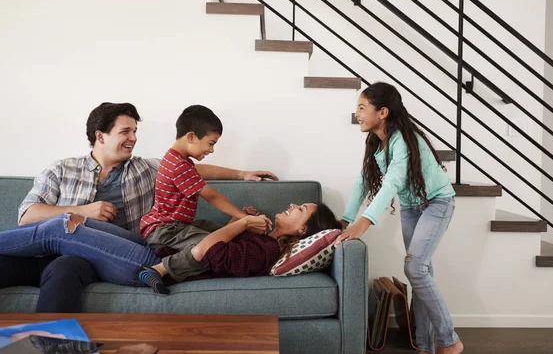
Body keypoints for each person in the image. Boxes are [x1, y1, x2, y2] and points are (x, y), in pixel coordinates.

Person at [0, 102, 277, 309]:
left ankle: (53, 345)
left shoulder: (145, 168)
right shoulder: (61, 169)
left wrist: (242, 174)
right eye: (126, 131)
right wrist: (83, 211)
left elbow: (195, 171)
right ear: (101, 136)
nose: (134, 137)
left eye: (135, 131)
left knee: (66, 252)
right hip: (48, 254)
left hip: (103, 257)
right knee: (56, 233)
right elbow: (27, 217)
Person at [335, 82, 463, 354]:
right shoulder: (377, 141)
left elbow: (392, 181)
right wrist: (346, 218)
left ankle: (449, 341)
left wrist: (364, 222)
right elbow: (363, 181)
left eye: (361, 107)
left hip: (437, 203)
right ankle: (426, 346)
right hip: (411, 207)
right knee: (422, 271)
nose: (356, 113)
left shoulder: (402, 140)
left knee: (415, 269)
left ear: (382, 112)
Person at [0, 202, 340, 290]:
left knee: (62, 229)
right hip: (156, 248)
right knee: (81, 222)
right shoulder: (262, 237)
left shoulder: (267, 251)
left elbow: (210, 253)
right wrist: (242, 223)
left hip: (149, 264)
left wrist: (238, 225)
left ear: (303, 229)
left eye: (301, 210)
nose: (293, 205)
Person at [137, 105, 269, 292]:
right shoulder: (178, 166)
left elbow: (211, 172)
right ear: (191, 137)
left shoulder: (178, 160)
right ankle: (158, 270)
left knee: (222, 233)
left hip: (176, 226)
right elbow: (212, 197)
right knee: (214, 249)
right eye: (211, 143)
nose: (212, 150)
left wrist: (243, 174)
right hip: (164, 230)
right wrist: (243, 217)